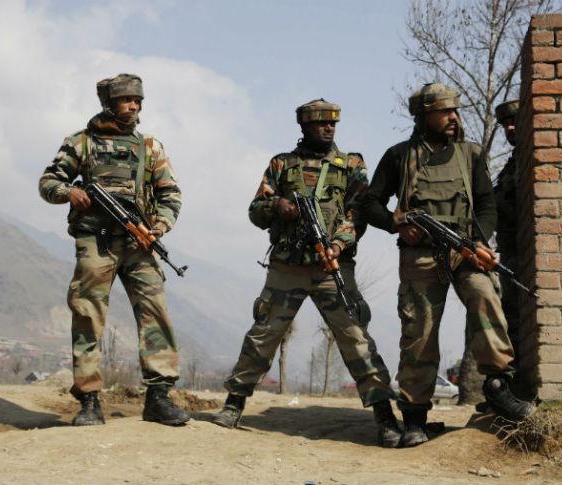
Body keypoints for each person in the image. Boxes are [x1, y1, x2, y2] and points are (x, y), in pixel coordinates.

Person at [211, 99, 402, 448]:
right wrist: (277, 207)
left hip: (333, 266)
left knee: (356, 339)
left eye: (333, 124)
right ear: (304, 127)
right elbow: (256, 211)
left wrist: (339, 245)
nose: (329, 129)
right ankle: (234, 403)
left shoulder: (351, 164)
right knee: (264, 334)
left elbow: (358, 212)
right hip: (288, 266)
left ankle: (384, 414)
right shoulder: (282, 164)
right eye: (321, 124)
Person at [361, 83, 534, 447]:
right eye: (445, 111)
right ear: (424, 116)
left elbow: (486, 206)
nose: (453, 117)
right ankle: (414, 417)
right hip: (419, 256)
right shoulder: (399, 156)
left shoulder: (470, 154)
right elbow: (369, 203)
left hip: (465, 252)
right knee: (419, 333)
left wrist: (478, 242)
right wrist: (396, 223)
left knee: (485, 297)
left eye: (455, 110)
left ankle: (499, 385)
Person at [38, 73, 189, 427]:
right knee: (87, 315)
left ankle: (158, 397)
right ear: (109, 104)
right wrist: (68, 193)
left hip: (139, 243)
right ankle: (89, 400)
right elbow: (48, 182)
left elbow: (171, 195)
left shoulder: (150, 147)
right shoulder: (81, 143)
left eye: (137, 101)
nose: (133, 106)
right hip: (96, 241)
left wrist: (160, 226)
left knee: (156, 314)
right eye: (125, 100)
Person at [492, 100, 523, 387]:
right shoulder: (514, 163)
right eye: (504, 125)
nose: (509, 128)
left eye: (514, 121)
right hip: (510, 256)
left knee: (515, 321)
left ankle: (517, 387)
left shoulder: (529, 161)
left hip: (523, 258)